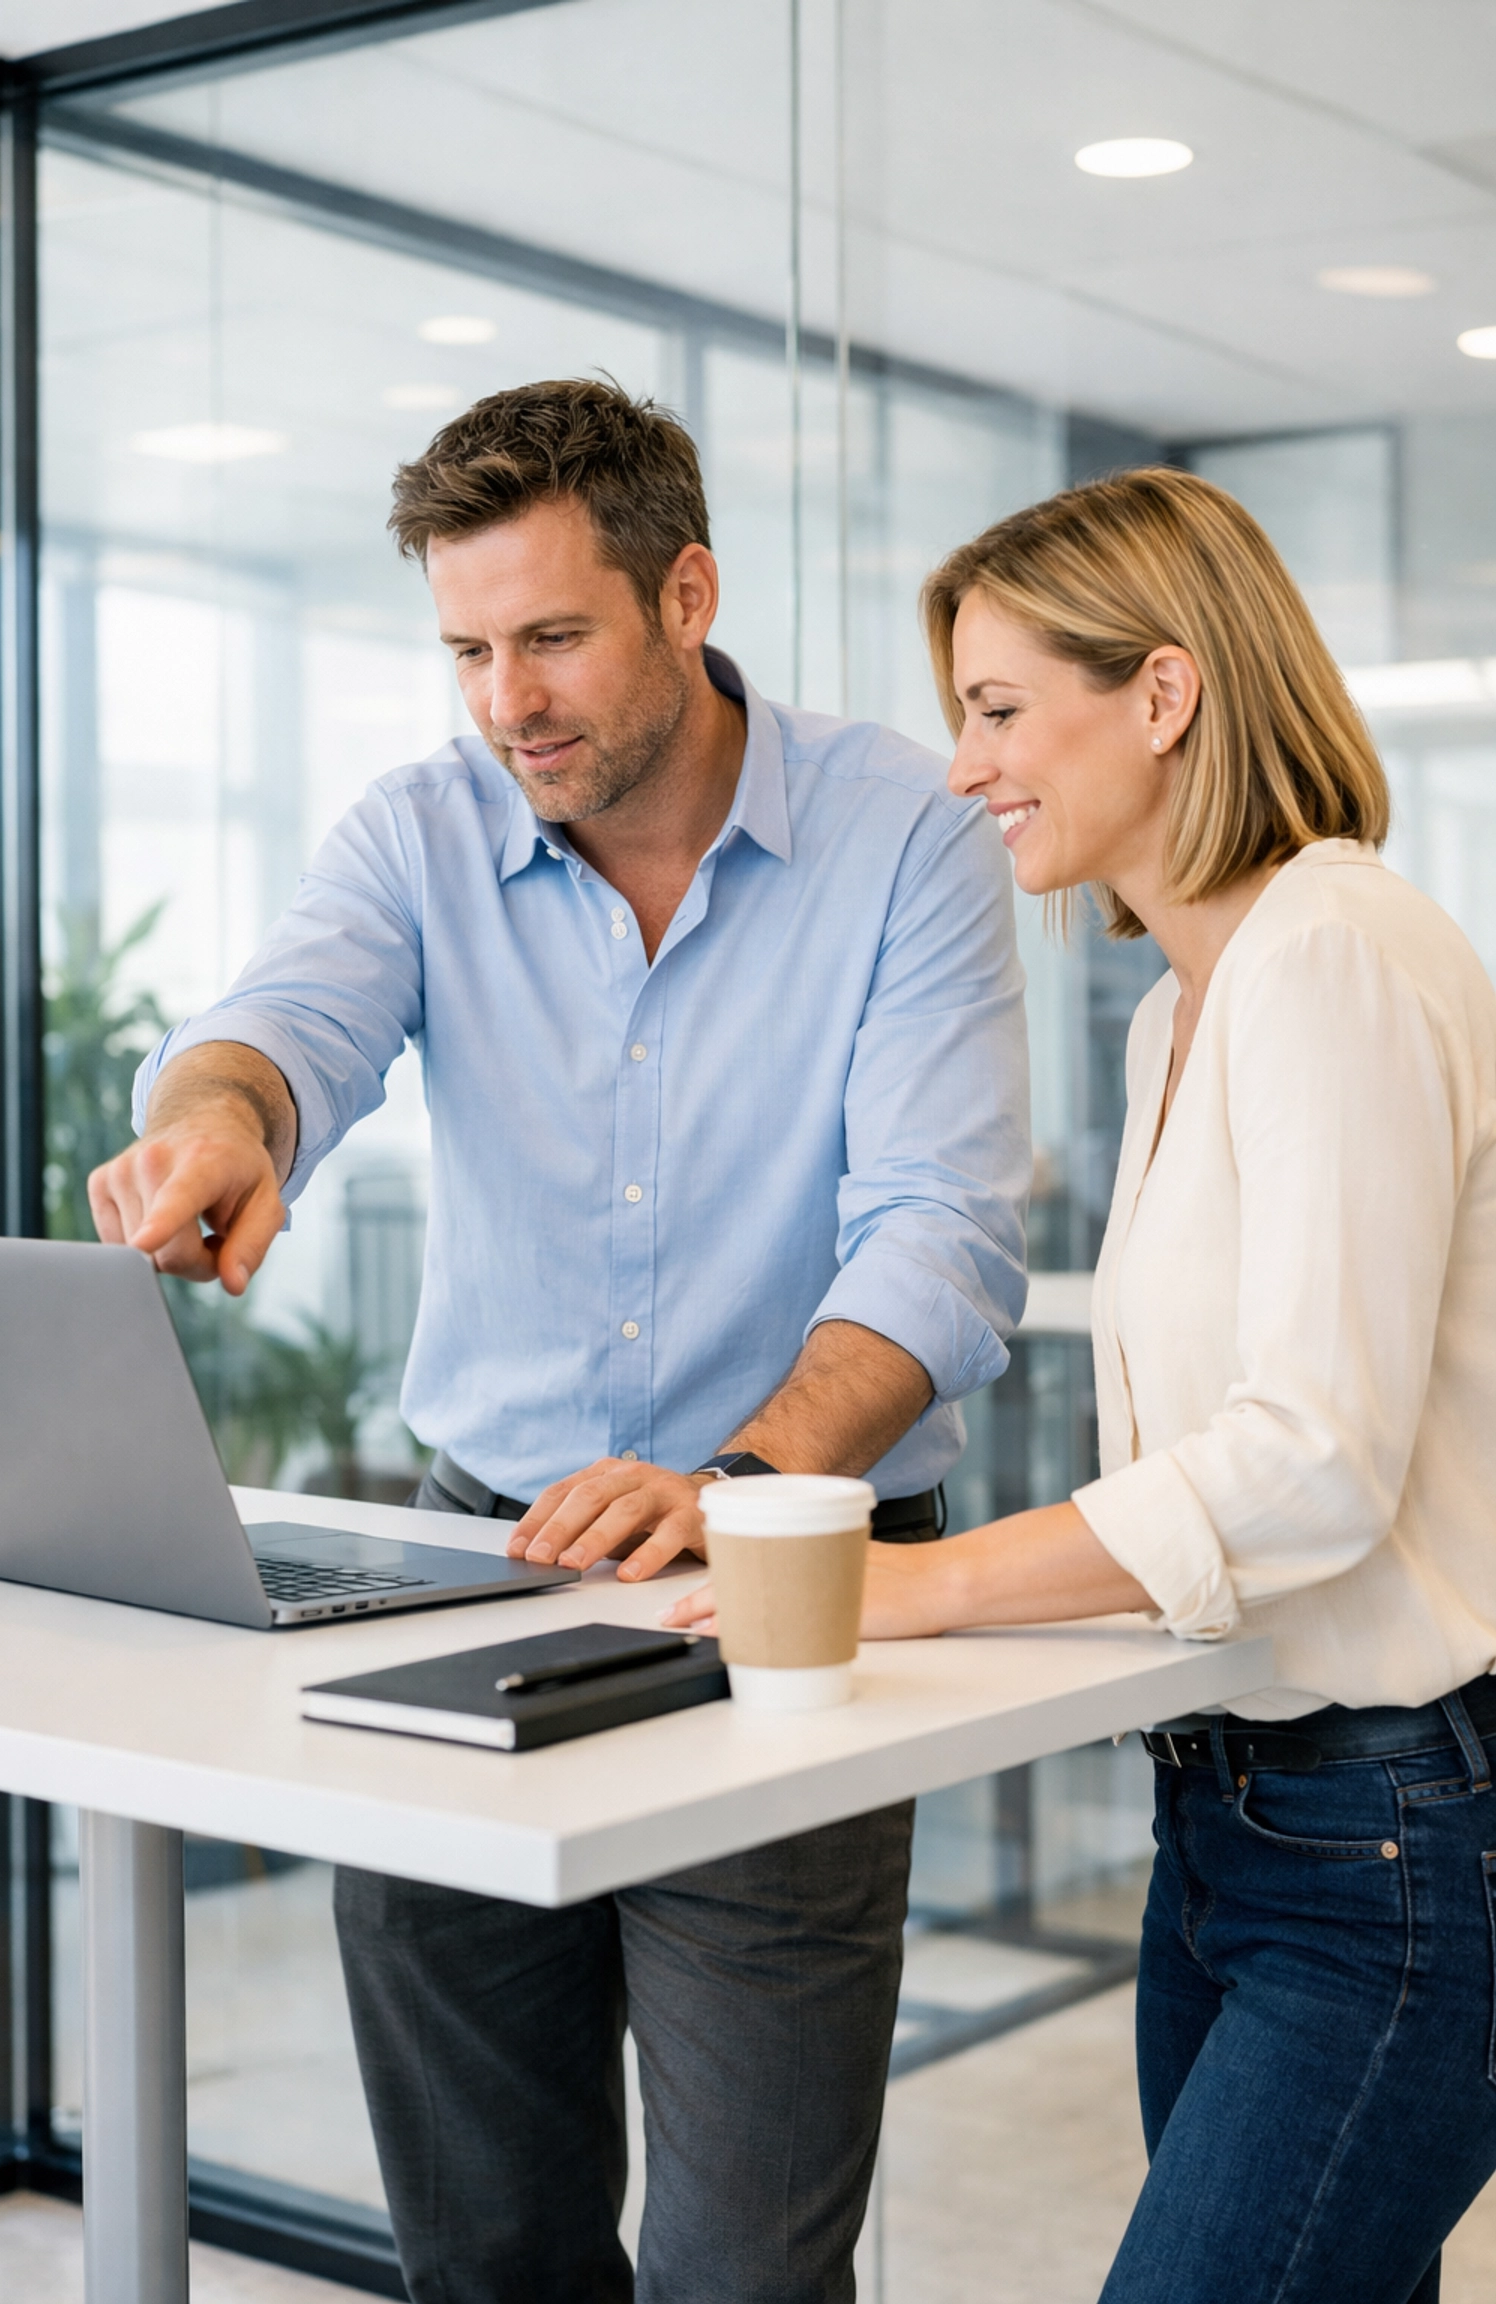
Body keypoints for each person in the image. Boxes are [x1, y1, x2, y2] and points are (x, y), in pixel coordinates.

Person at [88, 377, 1030, 2304]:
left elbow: (939, 1235)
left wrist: (739, 1490)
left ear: (686, 595)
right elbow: (284, 1024)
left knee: (744, 2270)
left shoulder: (903, 840)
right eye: (466, 651)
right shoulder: (422, 833)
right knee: (485, 2243)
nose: (506, 698)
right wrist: (219, 1120)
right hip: (477, 1561)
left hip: (786, 1580)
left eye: (550, 638)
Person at [671, 462, 1496, 2304]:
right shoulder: (1181, 1007)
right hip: (1235, 1817)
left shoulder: (1335, 957)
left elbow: (1307, 1462)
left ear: (1166, 693)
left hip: (1396, 1846)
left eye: (996, 709)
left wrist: (912, 1583)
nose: (964, 768)